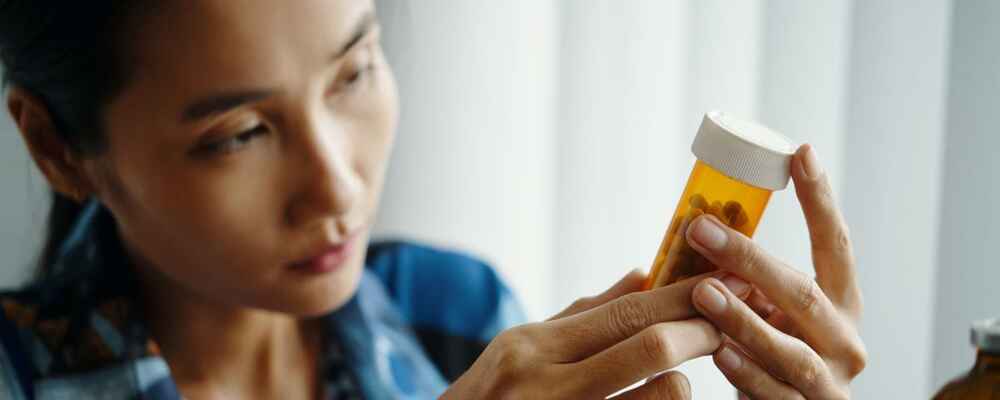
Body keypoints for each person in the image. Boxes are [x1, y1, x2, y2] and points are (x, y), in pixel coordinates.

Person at [0, 1, 866, 399]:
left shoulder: (454, 314)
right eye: (237, 134)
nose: (338, 187)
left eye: (354, 72)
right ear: (55, 146)